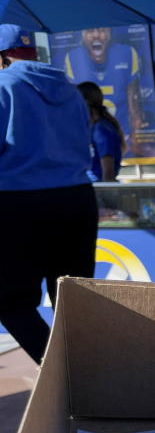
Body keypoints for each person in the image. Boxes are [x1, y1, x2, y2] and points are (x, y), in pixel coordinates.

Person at [0, 25, 98, 363]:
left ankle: (61, 375)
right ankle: (87, 378)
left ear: (2, 57)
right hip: (76, 198)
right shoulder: (71, 90)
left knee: (11, 301)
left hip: (19, 201)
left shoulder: (3, 85)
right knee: (73, 300)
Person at [62, 27, 144, 153]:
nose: (96, 35)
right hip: (90, 142)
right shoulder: (73, 58)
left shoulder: (126, 54)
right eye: (90, 31)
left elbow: (134, 106)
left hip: (123, 139)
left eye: (101, 30)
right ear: (82, 35)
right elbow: (74, 109)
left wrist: (134, 139)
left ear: (109, 34)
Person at [77, 81, 124, 182]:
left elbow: (108, 173)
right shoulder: (92, 128)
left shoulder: (101, 130)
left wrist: (104, 195)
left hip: (99, 191)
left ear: (85, 102)